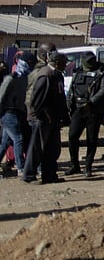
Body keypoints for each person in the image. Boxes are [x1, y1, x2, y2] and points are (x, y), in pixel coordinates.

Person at [65, 51, 104, 177]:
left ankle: (88, 166)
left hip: (93, 110)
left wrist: (91, 102)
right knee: (72, 136)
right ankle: (74, 165)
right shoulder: (78, 71)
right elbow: (72, 88)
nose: (90, 62)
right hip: (78, 109)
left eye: (92, 60)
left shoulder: (102, 71)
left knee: (91, 139)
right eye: (88, 60)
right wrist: (69, 103)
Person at [26, 50, 69, 184]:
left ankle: (49, 175)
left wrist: (65, 117)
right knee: (37, 148)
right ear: (56, 63)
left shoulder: (58, 76)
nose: (65, 66)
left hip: (54, 119)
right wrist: (44, 116)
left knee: (53, 149)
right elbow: (36, 101)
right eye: (63, 63)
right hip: (41, 119)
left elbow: (60, 98)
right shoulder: (45, 75)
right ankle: (29, 175)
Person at [0, 52, 34, 176]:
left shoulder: (26, 78)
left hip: (16, 113)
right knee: (18, 139)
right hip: (8, 113)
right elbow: (1, 96)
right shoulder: (11, 78)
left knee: (6, 142)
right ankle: (21, 168)